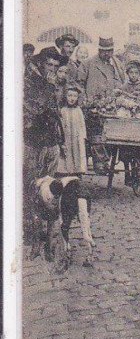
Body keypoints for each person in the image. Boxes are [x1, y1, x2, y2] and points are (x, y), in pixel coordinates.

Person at [23, 46, 66, 243]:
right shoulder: (30, 82)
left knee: (47, 184)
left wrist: (60, 139)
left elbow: (56, 112)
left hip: (51, 140)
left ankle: (44, 226)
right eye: (49, 64)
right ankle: (29, 229)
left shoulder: (54, 83)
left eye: (56, 66)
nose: (52, 69)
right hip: (33, 141)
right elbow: (36, 109)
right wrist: (49, 86)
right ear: (41, 63)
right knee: (31, 183)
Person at [79, 36, 125, 102]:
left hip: (112, 104)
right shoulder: (87, 63)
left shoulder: (117, 64)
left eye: (109, 50)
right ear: (99, 50)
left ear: (113, 51)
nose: (106, 53)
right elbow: (79, 86)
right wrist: (85, 101)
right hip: (92, 104)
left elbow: (123, 83)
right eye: (104, 50)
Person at [58, 84, 88, 175]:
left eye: (75, 96)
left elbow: (82, 124)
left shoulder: (78, 110)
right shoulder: (63, 110)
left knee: (77, 151)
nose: (72, 98)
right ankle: (66, 171)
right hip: (66, 136)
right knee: (66, 152)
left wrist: (83, 136)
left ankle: (77, 170)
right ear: (65, 97)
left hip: (76, 136)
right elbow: (60, 125)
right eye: (70, 96)